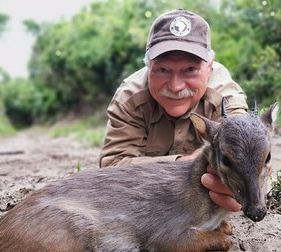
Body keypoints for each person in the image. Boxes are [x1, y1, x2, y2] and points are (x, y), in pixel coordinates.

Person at [99, 9, 248, 212]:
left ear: (209, 68)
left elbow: (248, 158)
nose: (176, 86)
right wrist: (186, 164)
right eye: (162, 70)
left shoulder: (226, 100)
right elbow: (111, 168)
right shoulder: (129, 99)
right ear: (148, 67)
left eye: (190, 70)